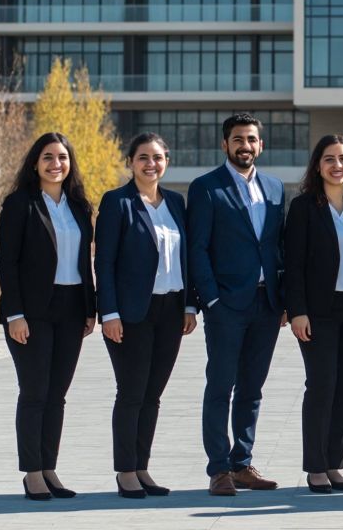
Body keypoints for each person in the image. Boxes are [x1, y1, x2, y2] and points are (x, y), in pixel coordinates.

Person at [188, 113, 287, 496]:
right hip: (226, 305)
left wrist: (283, 300)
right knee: (221, 385)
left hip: (266, 304)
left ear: (260, 145)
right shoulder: (206, 188)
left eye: (251, 139)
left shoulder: (276, 188)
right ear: (225, 144)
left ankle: (242, 463)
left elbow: (279, 248)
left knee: (252, 388)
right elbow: (197, 249)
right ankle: (218, 469)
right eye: (238, 139)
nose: (245, 145)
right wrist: (210, 298)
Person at [95, 132, 197, 499]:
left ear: (166, 161)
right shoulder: (117, 203)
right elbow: (103, 262)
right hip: (131, 312)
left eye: (157, 157)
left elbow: (187, 259)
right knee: (132, 392)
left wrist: (189, 305)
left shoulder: (175, 202)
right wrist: (109, 312)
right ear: (131, 162)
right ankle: (125, 470)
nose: (151, 164)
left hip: (171, 311)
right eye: (143, 157)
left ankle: (142, 466)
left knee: (153, 394)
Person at [0, 132, 97, 500]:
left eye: (63, 157)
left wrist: (90, 309)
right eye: (48, 157)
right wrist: (15, 314)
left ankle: (49, 467)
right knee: (35, 392)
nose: (56, 164)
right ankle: (31, 472)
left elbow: (85, 262)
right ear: (35, 163)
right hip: (32, 313)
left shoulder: (79, 206)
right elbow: (7, 263)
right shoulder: (19, 204)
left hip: (72, 309)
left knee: (58, 394)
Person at [282, 135, 343, 494]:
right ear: (317, 166)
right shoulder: (305, 207)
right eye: (329, 159)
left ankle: (335, 463)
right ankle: (316, 466)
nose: (338, 166)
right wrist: (297, 311)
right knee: (322, 385)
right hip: (319, 311)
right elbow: (293, 264)